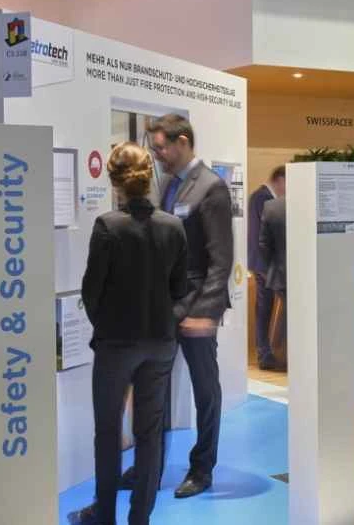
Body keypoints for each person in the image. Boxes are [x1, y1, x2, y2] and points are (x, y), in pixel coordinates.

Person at [70, 142, 188, 525]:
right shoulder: (173, 226)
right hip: (160, 344)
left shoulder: (108, 226)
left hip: (116, 344)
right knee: (150, 434)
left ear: (114, 180)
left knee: (107, 431)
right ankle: (140, 519)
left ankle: (103, 515)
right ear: (149, 175)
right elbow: (180, 290)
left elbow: (92, 291)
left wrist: (106, 327)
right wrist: (165, 325)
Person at [146, 114, 234, 499]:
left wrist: (206, 312)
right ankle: (150, 466)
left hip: (197, 306)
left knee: (205, 390)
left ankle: (202, 469)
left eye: (161, 147)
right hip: (166, 305)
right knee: (154, 387)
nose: (157, 155)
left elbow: (221, 259)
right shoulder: (168, 184)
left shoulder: (212, 188)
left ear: (182, 142)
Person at [248, 166, 286, 371]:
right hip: (265, 265)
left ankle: (269, 352)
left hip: (266, 264)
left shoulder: (261, 197)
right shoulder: (262, 198)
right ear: (280, 180)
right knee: (266, 309)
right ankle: (268, 353)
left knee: (266, 308)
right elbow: (260, 235)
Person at [258, 196, 287, 365]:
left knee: (287, 311)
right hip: (309, 272)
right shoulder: (312, 202)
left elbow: (263, 244)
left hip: (281, 273)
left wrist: (270, 267)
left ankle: (282, 354)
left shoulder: (271, 207)